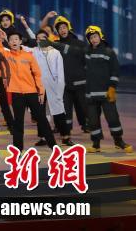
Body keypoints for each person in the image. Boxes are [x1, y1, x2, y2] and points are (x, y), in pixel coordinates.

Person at [50, 25, 131, 153]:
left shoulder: (109, 52)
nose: (93, 39)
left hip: (106, 94)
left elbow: (115, 72)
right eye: (91, 38)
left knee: (113, 118)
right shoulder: (86, 52)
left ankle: (118, 141)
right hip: (91, 95)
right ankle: (96, 144)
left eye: (95, 36)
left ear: (100, 36)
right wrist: (52, 43)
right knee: (93, 121)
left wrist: (112, 88)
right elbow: (71, 50)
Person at [0, 31, 56, 150]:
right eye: (11, 40)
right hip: (17, 94)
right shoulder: (6, 55)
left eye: (16, 39)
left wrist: (41, 92)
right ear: (8, 43)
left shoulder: (28, 56)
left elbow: (37, 74)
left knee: (42, 119)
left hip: (31, 92)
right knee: (18, 122)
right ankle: (18, 150)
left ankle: (54, 146)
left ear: (20, 41)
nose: (14, 41)